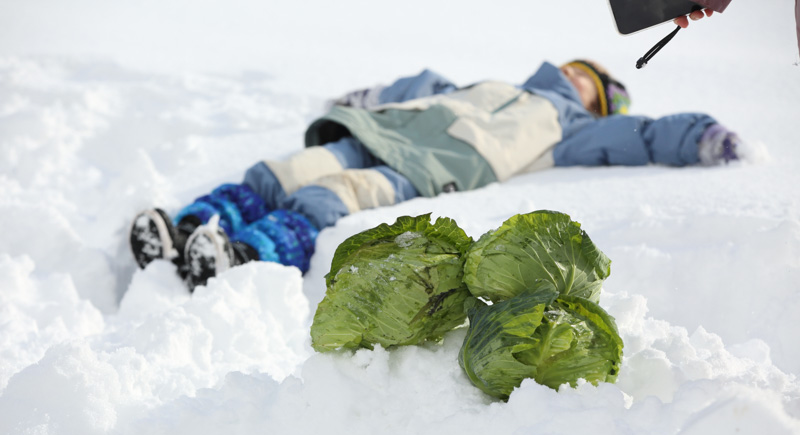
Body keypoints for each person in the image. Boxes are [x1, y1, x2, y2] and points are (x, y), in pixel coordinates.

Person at [129, 59, 743, 290]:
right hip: (377, 133)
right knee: (279, 172)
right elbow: (423, 85)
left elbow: (640, 137)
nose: (582, 80)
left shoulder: (569, 129)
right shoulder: (493, 84)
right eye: (582, 71)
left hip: (424, 170)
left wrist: (701, 137)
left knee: (326, 196)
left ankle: (240, 258)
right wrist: (367, 98)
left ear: (598, 107)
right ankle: (182, 231)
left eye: (595, 87)